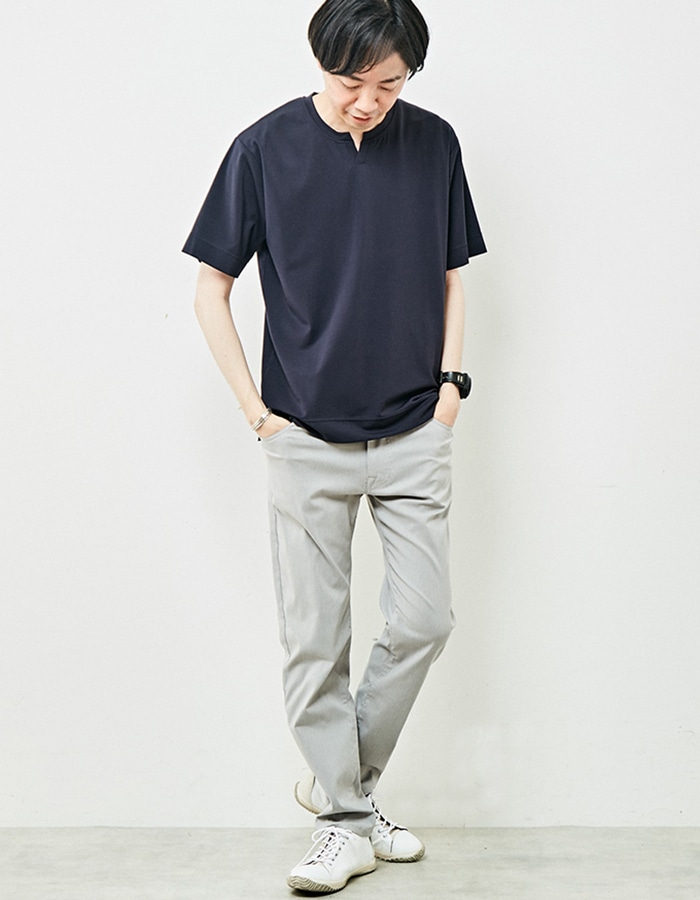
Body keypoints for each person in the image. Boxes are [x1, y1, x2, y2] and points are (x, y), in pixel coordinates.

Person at [183, 0, 486, 892]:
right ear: (321, 63)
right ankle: (351, 823)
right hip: (303, 434)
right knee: (315, 640)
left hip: (414, 428)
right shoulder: (263, 148)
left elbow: (452, 273)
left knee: (425, 621)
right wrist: (257, 413)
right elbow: (210, 288)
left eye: (389, 84)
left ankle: (338, 792)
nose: (369, 102)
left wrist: (450, 389)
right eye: (352, 82)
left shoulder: (433, 143)